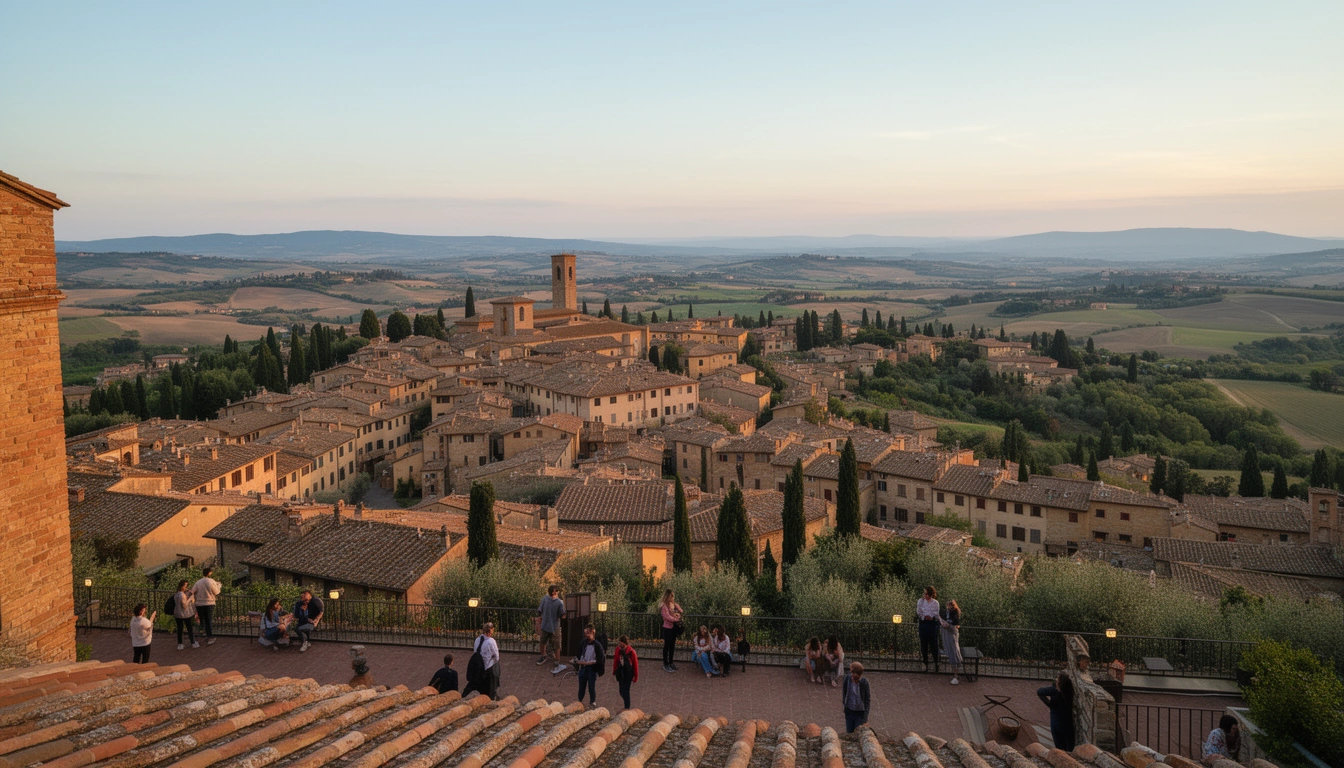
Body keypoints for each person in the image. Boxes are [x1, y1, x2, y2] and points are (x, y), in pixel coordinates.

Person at [1037, 672, 1076, 752]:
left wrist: (1049, 704)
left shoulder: (1055, 691)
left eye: (1058, 680)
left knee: (1059, 746)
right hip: (1067, 723)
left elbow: (1039, 691)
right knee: (1069, 746)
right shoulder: (1069, 692)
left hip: (1057, 722)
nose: (1056, 680)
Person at [466, 622, 500, 698]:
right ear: (491, 631)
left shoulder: (477, 640)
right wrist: (489, 664)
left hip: (478, 666)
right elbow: (496, 656)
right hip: (487, 667)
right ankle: (493, 690)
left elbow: (475, 652)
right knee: (496, 665)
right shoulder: (491, 641)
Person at [536, 585, 566, 669]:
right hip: (552, 626)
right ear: (555, 592)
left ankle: (545, 656)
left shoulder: (546, 599)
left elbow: (539, 611)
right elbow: (563, 615)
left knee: (544, 642)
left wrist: (541, 617)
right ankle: (555, 660)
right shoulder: (558, 602)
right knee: (554, 644)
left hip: (548, 625)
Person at [574, 624, 605, 707]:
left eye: (588, 633)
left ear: (593, 632)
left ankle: (592, 702)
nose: (586, 635)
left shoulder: (597, 645)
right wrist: (577, 662)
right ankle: (579, 701)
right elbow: (579, 653)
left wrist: (588, 663)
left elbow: (600, 659)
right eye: (585, 633)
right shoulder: (583, 643)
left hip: (592, 669)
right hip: (583, 668)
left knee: (591, 687)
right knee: (581, 687)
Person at [191, 567, 221, 646]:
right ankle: (210, 636)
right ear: (209, 573)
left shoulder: (198, 582)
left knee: (202, 620)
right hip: (209, 603)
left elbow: (193, 591)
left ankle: (204, 634)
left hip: (199, 604)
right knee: (208, 620)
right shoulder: (211, 581)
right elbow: (216, 592)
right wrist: (219, 586)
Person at [841, 662, 871, 734]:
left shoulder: (864, 683)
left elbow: (867, 700)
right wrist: (845, 704)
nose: (852, 677)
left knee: (858, 733)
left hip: (859, 713)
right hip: (849, 711)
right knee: (849, 733)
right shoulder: (847, 679)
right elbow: (844, 693)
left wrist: (865, 717)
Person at [917, 585, 940, 672]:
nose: (925, 595)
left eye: (927, 594)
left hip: (932, 624)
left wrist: (931, 616)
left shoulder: (935, 603)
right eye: (924, 594)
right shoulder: (921, 601)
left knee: (933, 644)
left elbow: (936, 613)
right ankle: (925, 664)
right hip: (923, 623)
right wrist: (924, 616)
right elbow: (919, 611)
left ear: (931, 594)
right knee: (924, 644)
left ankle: (936, 662)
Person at [659, 589, 683, 672]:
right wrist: (675, 619)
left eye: (673, 596)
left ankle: (671, 662)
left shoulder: (672, 605)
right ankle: (666, 664)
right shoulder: (664, 606)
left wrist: (676, 606)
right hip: (667, 628)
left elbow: (681, 611)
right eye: (671, 596)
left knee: (672, 646)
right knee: (667, 646)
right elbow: (666, 617)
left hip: (673, 628)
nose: (672, 597)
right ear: (667, 596)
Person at [612, 635, 638, 710]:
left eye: (620, 642)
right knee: (621, 691)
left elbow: (635, 665)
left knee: (626, 691)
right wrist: (615, 670)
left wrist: (635, 676)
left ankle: (627, 707)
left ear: (624, 643)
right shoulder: (618, 649)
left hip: (628, 674)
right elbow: (616, 660)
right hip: (621, 673)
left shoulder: (631, 652)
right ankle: (626, 703)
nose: (619, 644)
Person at [940, 599, 963, 685]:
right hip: (948, 635)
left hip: (951, 635)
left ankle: (956, 675)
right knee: (951, 652)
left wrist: (941, 620)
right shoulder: (947, 613)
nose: (948, 607)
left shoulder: (954, 614)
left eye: (950, 605)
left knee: (953, 652)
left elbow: (950, 625)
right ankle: (955, 673)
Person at [171, 580, 198, 650]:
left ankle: (180, 643)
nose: (186, 587)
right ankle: (193, 642)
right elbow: (185, 606)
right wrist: (190, 599)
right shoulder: (182, 595)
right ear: (182, 586)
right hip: (185, 614)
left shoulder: (176, 594)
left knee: (180, 629)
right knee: (189, 628)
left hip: (177, 613)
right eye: (185, 586)